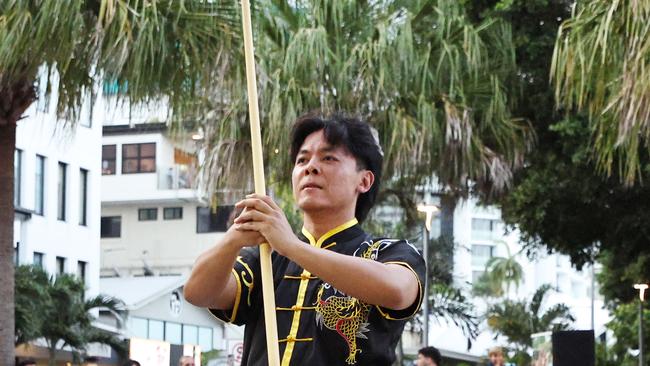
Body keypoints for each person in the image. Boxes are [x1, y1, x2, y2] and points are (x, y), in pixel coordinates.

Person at [185, 112, 425, 366]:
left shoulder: (389, 252)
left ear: (364, 180)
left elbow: (399, 290)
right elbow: (198, 293)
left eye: (328, 158)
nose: (310, 167)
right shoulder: (265, 257)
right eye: (302, 160)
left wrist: (293, 247)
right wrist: (233, 240)